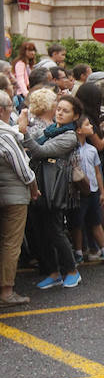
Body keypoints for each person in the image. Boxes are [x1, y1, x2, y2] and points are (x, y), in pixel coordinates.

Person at [20, 95, 83, 289]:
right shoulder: (51, 130)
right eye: (59, 109)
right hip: (40, 185)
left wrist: (24, 132)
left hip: (55, 188)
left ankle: (72, 270)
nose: (60, 113)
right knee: (40, 232)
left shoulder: (69, 136)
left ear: (75, 116)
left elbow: (39, 151)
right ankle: (53, 272)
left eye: (66, 111)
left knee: (55, 230)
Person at [0, 91, 39, 306]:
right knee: (10, 244)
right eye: (9, 110)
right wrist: (33, 187)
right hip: (13, 196)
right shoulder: (5, 136)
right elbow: (24, 171)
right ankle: (6, 292)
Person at [70, 116, 104, 264]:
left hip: (94, 191)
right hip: (78, 191)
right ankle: (78, 252)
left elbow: (97, 172)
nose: (91, 127)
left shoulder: (92, 150)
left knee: (96, 221)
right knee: (77, 222)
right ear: (79, 130)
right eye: (87, 125)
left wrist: (102, 191)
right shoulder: (71, 149)